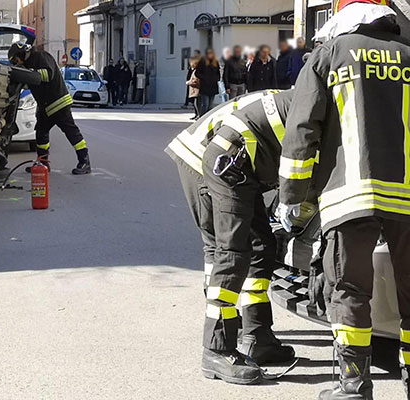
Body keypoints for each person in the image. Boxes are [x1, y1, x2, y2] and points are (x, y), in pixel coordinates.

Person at [275, 1, 410, 398]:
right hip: (408, 198)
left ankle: (354, 386)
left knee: (350, 290)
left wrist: (291, 198)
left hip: (349, 195)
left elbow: (302, 129)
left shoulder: (329, 55)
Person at [166, 89, 296, 385]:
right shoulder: (312, 107)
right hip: (205, 159)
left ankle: (257, 334)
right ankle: (218, 346)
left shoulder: (298, 98)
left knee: (261, 244)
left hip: (237, 159)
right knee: (226, 249)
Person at [8, 42, 91, 175]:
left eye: (15, 60)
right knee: (41, 134)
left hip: (59, 103)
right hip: (45, 107)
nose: (16, 63)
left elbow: (47, 74)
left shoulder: (41, 56)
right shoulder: (28, 64)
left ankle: (85, 161)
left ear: (20, 54)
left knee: (71, 132)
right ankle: (43, 163)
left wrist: (28, 74)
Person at [196, 48, 220, 116]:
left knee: (210, 105)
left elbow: (218, 73)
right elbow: (197, 73)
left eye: (211, 53)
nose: (210, 55)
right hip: (205, 86)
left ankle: (208, 118)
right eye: (208, 53)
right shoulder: (202, 61)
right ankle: (201, 117)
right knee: (205, 104)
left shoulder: (215, 62)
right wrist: (204, 78)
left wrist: (217, 79)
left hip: (213, 86)